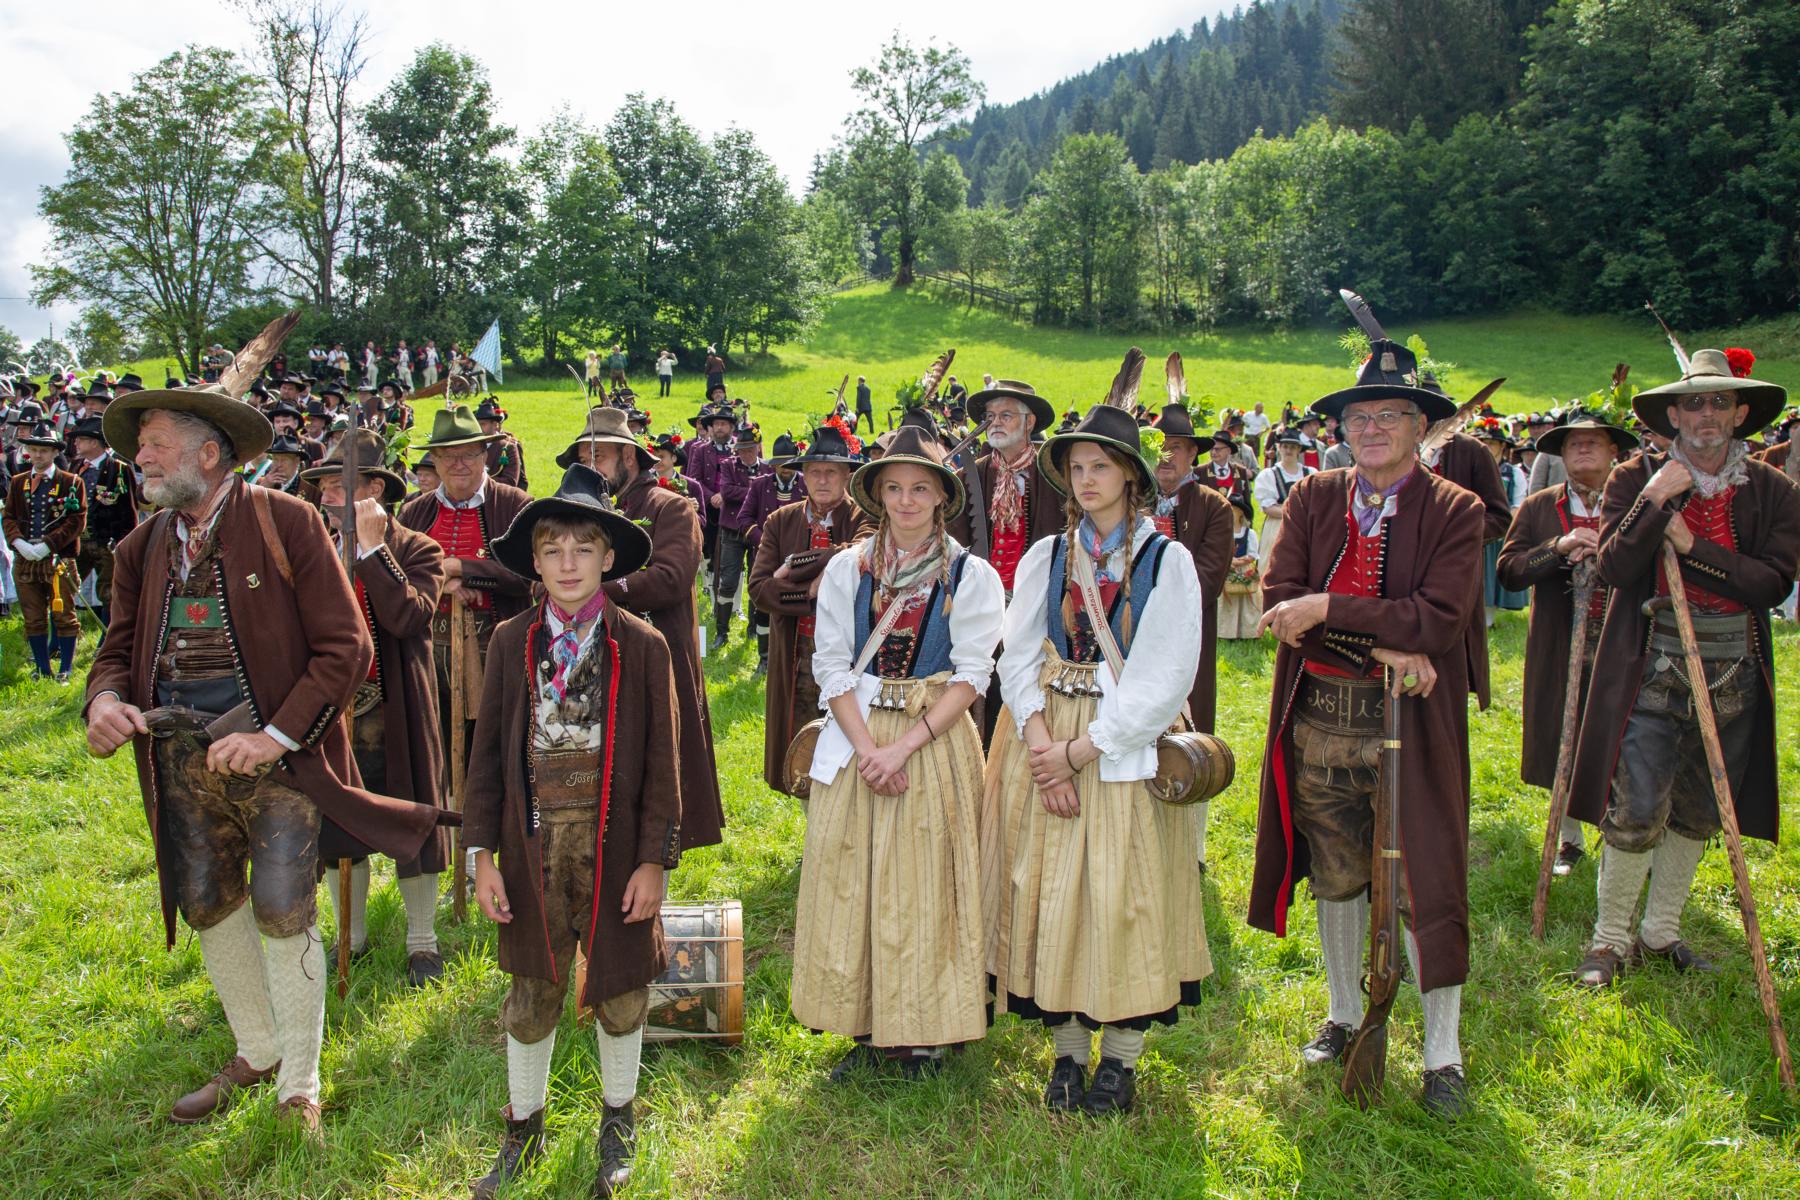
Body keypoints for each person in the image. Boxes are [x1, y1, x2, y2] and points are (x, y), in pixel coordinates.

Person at [83, 383, 449, 1136]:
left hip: (282, 761)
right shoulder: (138, 548)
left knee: (285, 909)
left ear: (208, 454)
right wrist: (105, 701)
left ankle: (301, 1083)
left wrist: (274, 735)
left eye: (154, 444)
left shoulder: (288, 522)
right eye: (138, 446)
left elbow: (348, 649)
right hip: (180, 765)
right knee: (208, 903)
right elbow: (115, 652)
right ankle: (255, 1050)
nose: (139, 459)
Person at [1248, 338, 1485, 1122]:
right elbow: (1280, 601)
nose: (1372, 427)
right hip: (1320, 717)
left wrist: (1330, 609)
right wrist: (1378, 640)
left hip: (1413, 723)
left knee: (1426, 881)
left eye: (1390, 414)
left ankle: (1444, 1055)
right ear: (1342, 429)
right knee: (1338, 872)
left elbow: (1441, 618)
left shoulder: (1457, 509)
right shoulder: (1314, 498)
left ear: (1422, 426)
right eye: (1359, 416)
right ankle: (1344, 1014)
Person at [984, 392, 1206, 1117]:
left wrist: (1084, 749)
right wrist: (1041, 742)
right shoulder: (1048, 556)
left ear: (1131, 477)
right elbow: (1015, 655)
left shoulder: (1166, 561)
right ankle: (1068, 1056)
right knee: (1053, 896)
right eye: (1077, 466)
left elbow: (1167, 672)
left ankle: (1121, 1060)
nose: (1086, 479)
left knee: (1123, 897)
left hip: (1124, 747)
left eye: (1101, 466)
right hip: (1045, 738)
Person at [463, 464, 679, 1200]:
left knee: (620, 985)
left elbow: (662, 767)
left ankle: (617, 1119)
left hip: (613, 845)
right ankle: (523, 1125)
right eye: (552, 549)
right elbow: (488, 757)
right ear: (535, 560)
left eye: (582, 549)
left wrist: (654, 861)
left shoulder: (644, 645)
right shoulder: (509, 641)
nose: (566, 564)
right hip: (531, 846)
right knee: (533, 985)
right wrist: (481, 856)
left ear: (608, 556)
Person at [1566, 349, 1799, 987]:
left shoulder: (1775, 491)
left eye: (1719, 402)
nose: (1706, 414)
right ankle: (1608, 943)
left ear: (1741, 413)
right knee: (1638, 805)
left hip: (1734, 668)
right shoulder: (1634, 478)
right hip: (1653, 660)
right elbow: (1613, 569)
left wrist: (1696, 548)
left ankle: (1661, 933)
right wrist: (1651, 504)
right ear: (1672, 414)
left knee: (1698, 810)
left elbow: (1771, 585)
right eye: (1693, 402)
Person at [791, 424, 1003, 1079]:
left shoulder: (971, 576)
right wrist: (866, 750)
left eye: (920, 488)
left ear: (942, 496)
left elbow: (972, 675)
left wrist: (905, 746)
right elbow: (831, 665)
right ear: (877, 495)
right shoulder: (844, 570)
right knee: (857, 881)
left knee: (927, 886)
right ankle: (869, 1024)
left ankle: (929, 1033)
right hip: (859, 740)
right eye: (894, 488)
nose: (907, 500)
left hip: (930, 742)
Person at [302, 429, 451, 985]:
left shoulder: (417, 549)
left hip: (398, 708)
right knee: (342, 825)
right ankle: (353, 937)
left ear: (371, 492)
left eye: (337, 488)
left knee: (413, 820)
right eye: (321, 489)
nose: (325, 500)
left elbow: (408, 618)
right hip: (333, 714)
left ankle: (422, 941)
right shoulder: (311, 548)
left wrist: (371, 553)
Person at [559, 406, 726, 853]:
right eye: (583, 459)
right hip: (587, 666)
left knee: (658, 777)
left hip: (656, 662)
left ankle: (654, 884)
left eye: (598, 458)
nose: (588, 468)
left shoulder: (668, 507)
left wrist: (595, 587)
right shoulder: (583, 513)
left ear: (628, 457)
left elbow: (670, 578)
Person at [1495, 413, 1637, 875]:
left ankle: (1626, 832)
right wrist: (1558, 547)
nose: (1582, 450)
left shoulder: (1634, 503)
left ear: (1614, 451)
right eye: (1574, 443)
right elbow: (1510, 569)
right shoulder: (1539, 507)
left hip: (1625, 642)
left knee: (1627, 736)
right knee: (1565, 732)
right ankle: (1570, 838)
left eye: (1593, 442)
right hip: (1560, 643)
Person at [397, 405, 535, 882]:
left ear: (486, 456)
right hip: (427, 649)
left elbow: (528, 574)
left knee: (493, 750)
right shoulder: (413, 512)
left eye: (469, 454)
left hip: (496, 646)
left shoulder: (513, 505)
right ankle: (446, 851)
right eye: (448, 455)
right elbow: (398, 578)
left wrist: (456, 568)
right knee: (434, 751)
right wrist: (440, 584)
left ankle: (491, 856)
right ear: (433, 460)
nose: (459, 464)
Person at [748, 424, 869, 796]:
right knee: (803, 745)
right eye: (814, 471)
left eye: (831, 471)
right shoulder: (780, 521)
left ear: (847, 474)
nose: (822, 479)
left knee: (850, 748)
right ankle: (812, 834)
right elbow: (760, 589)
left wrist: (811, 564)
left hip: (851, 658)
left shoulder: (865, 519)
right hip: (797, 654)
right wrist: (810, 593)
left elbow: (862, 553)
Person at [4, 422, 86, 680]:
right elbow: (8, 517)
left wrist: (47, 545)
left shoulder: (71, 481)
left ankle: (65, 669)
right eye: (33, 450)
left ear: (54, 453)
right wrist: (19, 543)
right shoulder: (18, 482)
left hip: (57, 559)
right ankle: (41, 668)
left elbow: (76, 519)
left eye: (43, 450)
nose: (38, 455)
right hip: (25, 559)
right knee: (33, 617)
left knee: (64, 615)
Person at [71, 415, 137, 639]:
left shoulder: (118, 469)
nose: (76, 444)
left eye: (81, 439)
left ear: (95, 442)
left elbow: (129, 511)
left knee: (109, 591)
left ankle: (107, 638)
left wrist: (123, 543)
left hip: (106, 541)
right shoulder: (76, 467)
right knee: (64, 586)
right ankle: (64, 636)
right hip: (77, 540)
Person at [711, 424, 766, 652]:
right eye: (743, 450)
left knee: (756, 579)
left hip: (756, 531)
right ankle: (721, 632)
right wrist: (755, 490)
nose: (747, 454)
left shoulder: (766, 469)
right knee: (729, 581)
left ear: (758, 448)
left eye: (751, 449)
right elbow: (727, 492)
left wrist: (749, 490)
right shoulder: (728, 466)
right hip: (732, 530)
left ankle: (753, 628)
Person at [1254, 430, 1315, 572]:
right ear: (1279, 448)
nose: (1289, 450)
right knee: (1274, 567)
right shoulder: (1269, 475)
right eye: (1285, 446)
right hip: (1277, 527)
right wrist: (1298, 513)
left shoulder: (1311, 474)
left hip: (1305, 529)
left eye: (1293, 447)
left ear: (1299, 449)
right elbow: (1268, 508)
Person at [1216, 493, 1262, 639]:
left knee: (1246, 602)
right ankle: (1226, 632)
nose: (1232, 512)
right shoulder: (1221, 531)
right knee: (1227, 602)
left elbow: (1253, 554)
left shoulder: (1249, 533)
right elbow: (1217, 550)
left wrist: (1239, 561)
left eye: (1235, 509)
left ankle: (1247, 632)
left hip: (1243, 571)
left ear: (1242, 512)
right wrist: (1228, 562)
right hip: (1226, 569)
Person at [476, 398, 528, 491]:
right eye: (477, 424)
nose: (479, 428)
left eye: (483, 424)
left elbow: (511, 481)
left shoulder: (508, 447)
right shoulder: (472, 447)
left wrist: (478, 482)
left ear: (495, 425)